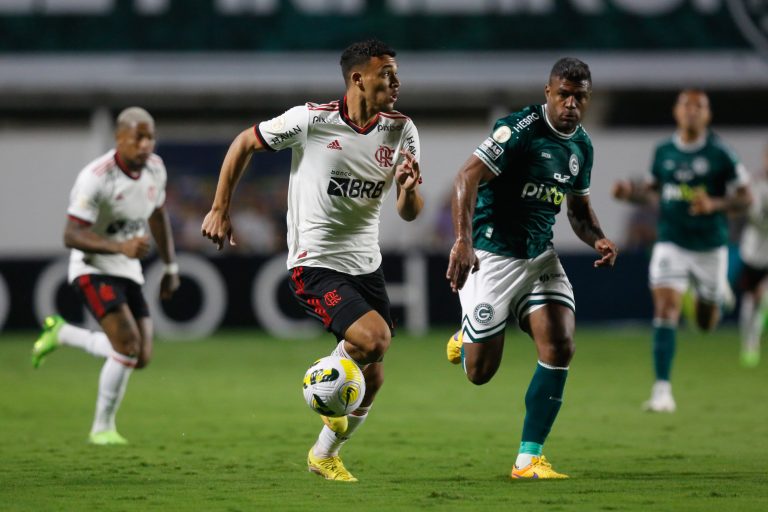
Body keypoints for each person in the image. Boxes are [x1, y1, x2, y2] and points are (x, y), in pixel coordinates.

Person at [201, 39, 423, 482]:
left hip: (367, 265)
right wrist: (220, 207)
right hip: (315, 262)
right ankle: (321, 378)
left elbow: (409, 212)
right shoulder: (311, 121)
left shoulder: (401, 129)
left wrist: (409, 187)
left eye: (397, 74)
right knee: (375, 340)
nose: (396, 82)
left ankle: (324, 454)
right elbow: (245, 142)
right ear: (359, 78)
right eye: (387, 74)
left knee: (372, 380)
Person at [445, 58, 618, 479]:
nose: (572, 104)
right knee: (479, 373)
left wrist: (597, 237)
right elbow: (466, 177)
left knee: (560, 345)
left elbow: (578, 210)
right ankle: (468, 334)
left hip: (540, 258)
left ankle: (528, 458)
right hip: (492, 256)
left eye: (580, 96)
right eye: (564, 94)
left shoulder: (582, 146)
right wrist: (463, 241)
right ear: (548, 92)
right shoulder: (518, 130)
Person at [31, 107, 180, 444]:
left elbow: (158, 215)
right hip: (93, 266)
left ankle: (63, 334)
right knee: (127, 346)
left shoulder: (156, 169)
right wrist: (121, 247)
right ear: (119, 138)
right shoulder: (96, 177)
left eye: (150, 137)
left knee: (141, 356)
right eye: (138, 137)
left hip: (128, 268)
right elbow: (70, 234)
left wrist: (170, 267)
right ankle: (102, 428)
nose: (145, 144)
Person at [612, 89, 751, 411]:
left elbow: (745, 198)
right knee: (666, 310)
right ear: (676, 112)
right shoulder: (663, 151)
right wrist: (628, 193)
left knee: (705, 323)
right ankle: (662, 391)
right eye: (686, 105)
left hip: (709, 246)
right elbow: (652, 194)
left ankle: (718, 295)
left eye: (698, 106)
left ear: (708, 115)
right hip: (671, 241)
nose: (691, 111)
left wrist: (715, 202)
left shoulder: (721, 154)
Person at [738, 143, 768, 367]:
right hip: (752, 252)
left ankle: (753, 342)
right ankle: (747, 341)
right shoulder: (753, 184)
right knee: (750, 298)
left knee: (764, 297)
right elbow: (748, 213)